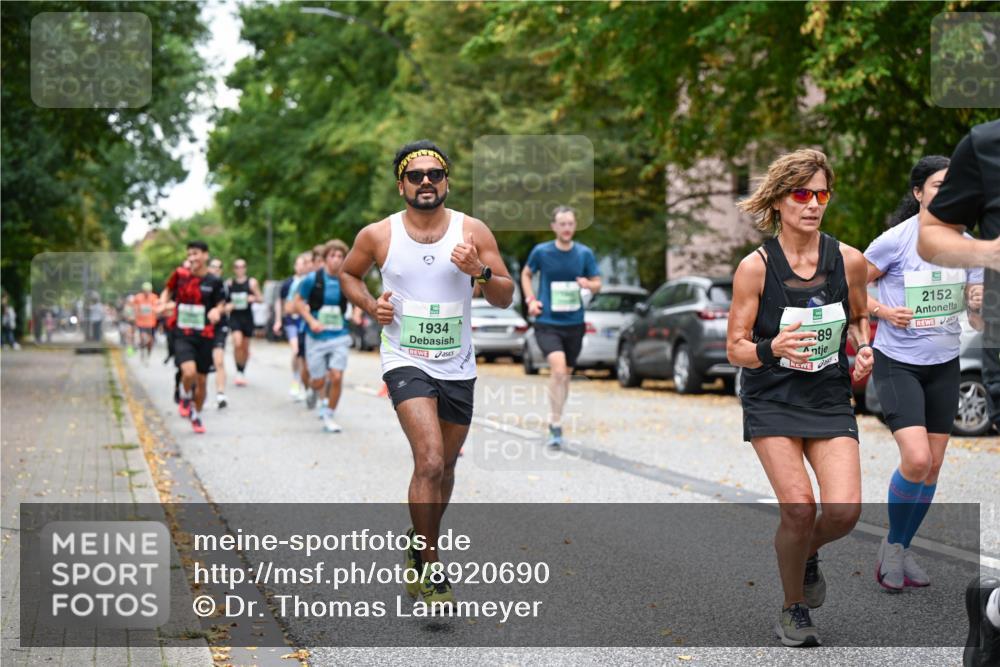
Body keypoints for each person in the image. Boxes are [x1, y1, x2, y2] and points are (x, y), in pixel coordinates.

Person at [340, 140, 515, 607]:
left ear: (446, 182)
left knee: (448, 467)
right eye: (415, 176)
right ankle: (432, 566)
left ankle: (419, 542)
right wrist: (370, 306)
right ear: (401, 185)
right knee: (431, 460)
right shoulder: (378, 235)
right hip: (405, 359)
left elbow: (505, 296)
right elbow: (349, 274)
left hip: (457, 364)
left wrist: (480, 271)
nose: (425, 182)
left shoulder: (471, 230)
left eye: (434, 175)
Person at [726, 149, 873, 647]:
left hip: (827, 395)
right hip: (771, 396)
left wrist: (864, 348)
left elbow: (858, 317)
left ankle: (806, 552)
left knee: (844, 511)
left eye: (821, 195)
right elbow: (735, 347)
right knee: (799, 507)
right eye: (802, 194)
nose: (813, 204)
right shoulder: (755, 268)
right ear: (779, 200)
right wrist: (772, 348)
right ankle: (793, 608)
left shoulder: (848, 260)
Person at [863, 156, 984, 592]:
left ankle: (899, 545)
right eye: (937, 185)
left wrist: (976, 303)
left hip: (944, 365)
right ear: (918, 193)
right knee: (916, 459)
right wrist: (882, 310)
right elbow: (851, 285)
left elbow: (979, 321)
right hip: (898, 363)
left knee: (931, 468)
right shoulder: (896, 240)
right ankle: (894, 546)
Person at [521, 206, 601, 448]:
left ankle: (556, 417)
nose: (566, 228)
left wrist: (588, 284)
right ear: (554, 227)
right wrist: (531, 300)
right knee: (558, 370)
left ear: (575, 226)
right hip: (548, 322)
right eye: (562, 224)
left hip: (574, 323)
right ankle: (555, 423)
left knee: (565, 374)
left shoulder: (584, 254)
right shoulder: (542, 251)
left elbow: (598, 283)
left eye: (570, 224)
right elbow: (526, 274)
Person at [161, 241, 226, 433]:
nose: (192, 258)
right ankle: (184, 394)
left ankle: (196, 414)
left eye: (196, 254)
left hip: (205, 334)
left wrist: (217, 310)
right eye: (189, 254)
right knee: (189, 372)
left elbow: (221, 303)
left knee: (202, 381)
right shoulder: (180, 275)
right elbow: (168, 290)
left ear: (205, 255)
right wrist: (162, 303)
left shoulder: (214, 281)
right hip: (183, 333)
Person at [293, 241, 354, 432]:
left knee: (337, 376)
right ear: (326, 258)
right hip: (316, 337)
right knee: (318, 381)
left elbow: (356, 298)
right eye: (332, 256)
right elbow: (297, 302)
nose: (336, 260)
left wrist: (358, 313)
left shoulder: (347, 279)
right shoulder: (312, 279)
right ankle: (314, 388)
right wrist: (311, 321)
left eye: (340, 256)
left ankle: (329, 414)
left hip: (339, 334)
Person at [275, 252, 311, 401]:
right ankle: (296, 380)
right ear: (295, 266)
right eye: (299, 264)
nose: (301, 267)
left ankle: (306, 384)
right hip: (291, 320)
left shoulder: (310, 281)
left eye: (304, 263)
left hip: (305, 320)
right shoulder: (288, 283)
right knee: (296, 350)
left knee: (305, 354)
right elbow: (281, 303)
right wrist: (278, 320)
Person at [227, 259, 262, 386]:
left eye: (242, 267)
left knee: (245, 348)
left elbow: (261, 298)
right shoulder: (230, 283)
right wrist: (229, 306)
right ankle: (238, 371)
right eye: (237, 267)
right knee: (237, 343)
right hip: (235, 317)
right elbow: (224, 302)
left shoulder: (252, 283)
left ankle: (242, 370)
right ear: (234, 269)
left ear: (245, 268)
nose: (240, 269)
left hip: (247, 318)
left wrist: (253, 298)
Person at [207, 258, 231, 408]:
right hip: (203, 327)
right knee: (201, 364)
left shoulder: (225, 286)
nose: (215, 269)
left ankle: (220, 394)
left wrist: (220, 310)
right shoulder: (202, 283)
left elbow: (230, 303)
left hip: (220, 326)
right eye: (213, 266)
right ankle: (197, 394)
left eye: (218, 267)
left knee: (219, 360)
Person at [133, 282, 160, 362]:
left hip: (151, 323)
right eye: (145, 291)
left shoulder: (154, 297)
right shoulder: (138, 297)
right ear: (143, 290)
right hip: (141, 323)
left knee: (150, 342)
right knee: (143, 338)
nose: (147, 292)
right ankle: (142, 353)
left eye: (148, 291)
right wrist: (134, 317)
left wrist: (154, 310)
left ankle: (148, 354)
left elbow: (157, 309)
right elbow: (135, 309)